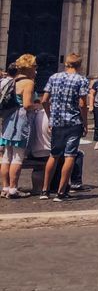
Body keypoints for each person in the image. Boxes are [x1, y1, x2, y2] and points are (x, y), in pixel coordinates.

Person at [40, 52, 89, 201]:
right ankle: (61, 192)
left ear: (66, 63)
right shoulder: (81, 80)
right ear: (79, 65)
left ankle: (45, 190)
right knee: (70, 155)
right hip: (73, 122)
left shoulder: (54, 77)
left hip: (57, 121)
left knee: (54, 155)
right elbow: (82, 104)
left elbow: (44, 100)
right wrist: (85, 123)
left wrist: (50, 117)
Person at [1, 56, 37, 198]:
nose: (36, 69)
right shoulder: (28, 82)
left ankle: (5, 188)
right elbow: (27, 104)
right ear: (28, 68)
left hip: (8, 118)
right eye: (34, 66)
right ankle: (13, 189)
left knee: (6, 156)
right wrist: (36, 106)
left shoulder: (12, 80)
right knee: (18, 155)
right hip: (20, 119)